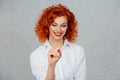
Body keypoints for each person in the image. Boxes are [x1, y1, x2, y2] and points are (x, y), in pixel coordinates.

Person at [30, 4, 86, 80]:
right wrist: (51, 65)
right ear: (47, 26)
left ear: (68, 27)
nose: (59, 30)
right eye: (54, 25)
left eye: (63, 25)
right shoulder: (36, 55)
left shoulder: (78, 51)